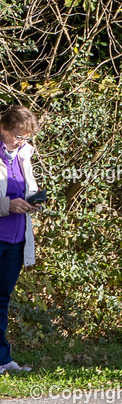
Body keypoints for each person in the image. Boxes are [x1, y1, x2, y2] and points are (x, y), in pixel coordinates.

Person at [0, 105, 41, 375]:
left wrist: (33, 200)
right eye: (17, 135)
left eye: (26, 137)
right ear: (2, 127)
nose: (21, 141)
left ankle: (3, 361)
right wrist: (6, 205)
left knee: (2, 300)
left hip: (16, 241)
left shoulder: (23, 154)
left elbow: (29, 187)